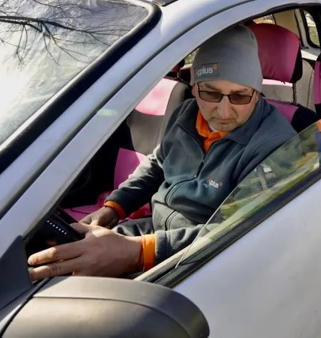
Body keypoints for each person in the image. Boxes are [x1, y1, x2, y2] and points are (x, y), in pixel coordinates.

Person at [28, 25, 297, 280]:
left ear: (257, 92)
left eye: (240, 96)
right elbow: (157, 164)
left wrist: (137, 253)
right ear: (195, 87)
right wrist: (113, 208)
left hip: (202, 255)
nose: (223, 111)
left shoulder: (277, 146)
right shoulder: (186, 114)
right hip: (153, 231)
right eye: (210, 93)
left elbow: (238, 231)